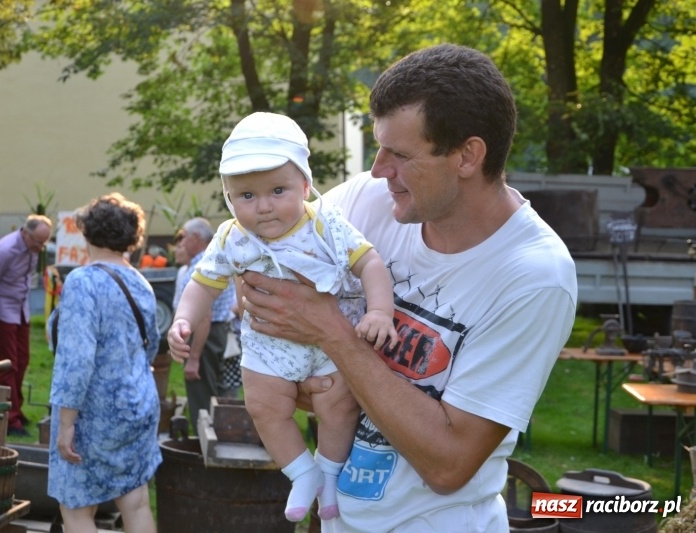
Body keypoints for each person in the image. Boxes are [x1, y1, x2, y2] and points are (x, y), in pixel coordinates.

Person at [237, 44, 578, 532]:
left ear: (467, 155)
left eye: (399, 154)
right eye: (379, 148)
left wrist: (333, 337)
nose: (378, 170)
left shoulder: (532, 277)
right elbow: (265, 299)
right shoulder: (363, 203)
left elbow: (448, 464)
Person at [167, 112, 398, 523]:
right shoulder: (231, 237)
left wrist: (380, 311)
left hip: (332, 341)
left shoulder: (326, 225)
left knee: (338, 407)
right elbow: (203, 284)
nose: (265, 207)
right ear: (228, 198)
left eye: (278, 190)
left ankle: (328, 472)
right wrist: (182, 319)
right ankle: (302, 473)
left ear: (305, 186)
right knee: (263, 406)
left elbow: (371, 264)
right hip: (269, 346)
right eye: (247, 196)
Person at [47, 193, 161, 532]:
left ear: (86, 232)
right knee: (136, 501)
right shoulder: (141, 281)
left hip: (92, 413)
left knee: (77, 509)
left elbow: (76, 360)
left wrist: (66, 424)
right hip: (138, 404)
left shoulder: (83, 281)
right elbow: (151, 345)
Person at [0, 213, 52, 437]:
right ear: (25, 233)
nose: (41, 247)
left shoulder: (31, 248)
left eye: (44, 242)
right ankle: (8, 418)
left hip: (20, 309)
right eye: (38, 242)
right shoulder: (5, 250)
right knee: (8, 364)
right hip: (2, 309)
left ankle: (15, 407)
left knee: (23, 358)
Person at [170, 218, 236, 431]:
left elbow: (204, 316)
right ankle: (214, 438)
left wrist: (194, 359)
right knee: (213, 391)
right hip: (214, 333)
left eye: (184, 237)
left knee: (201, 397)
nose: (180, 243)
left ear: (195, 238)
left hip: (204, 335)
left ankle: (204, 445)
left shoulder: (201, 267)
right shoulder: (213, 260)